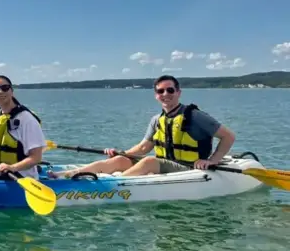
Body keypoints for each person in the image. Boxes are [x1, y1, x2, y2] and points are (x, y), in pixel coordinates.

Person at [50, 74, 236, 178]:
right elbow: (143, 148)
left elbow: (228, 136)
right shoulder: (157, 120)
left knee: (149, 161)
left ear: (178, 92)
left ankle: (111, 186)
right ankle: (69, 175)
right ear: (156, 95)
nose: (165, 94)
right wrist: (121, 152)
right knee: (120, 161)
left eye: (170, 90)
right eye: (160, 91)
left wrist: (212, 160)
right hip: (167, 164)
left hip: (188, 168)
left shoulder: (195, 116)